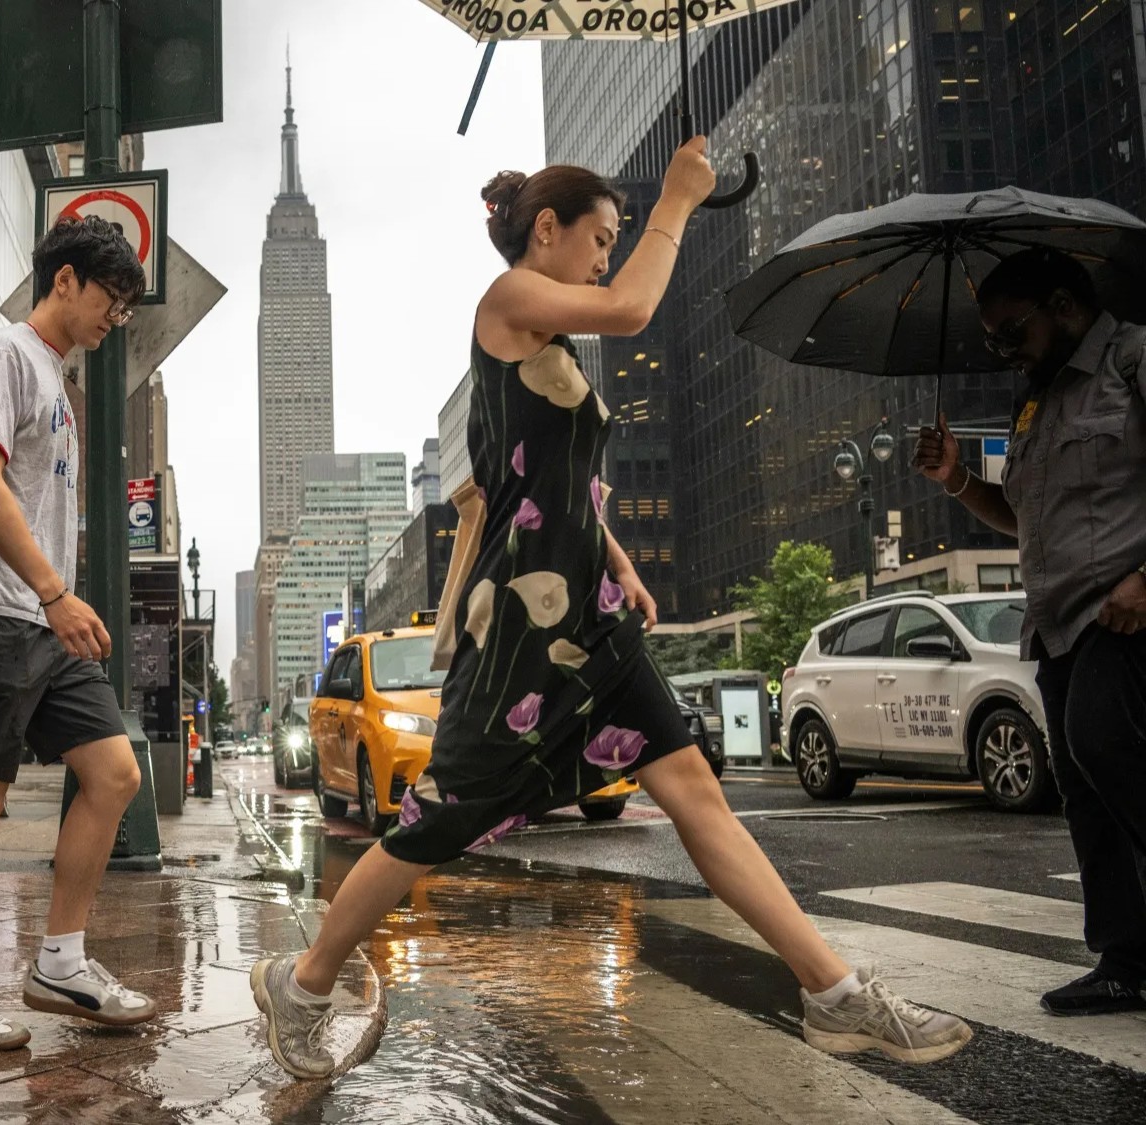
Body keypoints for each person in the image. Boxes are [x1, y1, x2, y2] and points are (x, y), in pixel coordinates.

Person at [248, 144, 974, 1080]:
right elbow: (630, 312)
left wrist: (622, 563)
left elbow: (563, 484)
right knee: (436, 823)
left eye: (615, 240)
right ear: (543, 232)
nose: (605, 256)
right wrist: (676, 197)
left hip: (591, 616)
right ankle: (303, 984)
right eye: (599, 237)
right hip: (520, 629)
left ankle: (835, 994)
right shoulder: (506, 304)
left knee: (694, 789)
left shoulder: (548, 349)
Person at [0, 216, 155, 1053]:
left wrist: (58, 599)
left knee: (114, 773)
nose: (111, 321)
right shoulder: (3, 356)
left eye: (122, 310)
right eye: (109, 301)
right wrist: (54, 592)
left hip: (45, 624)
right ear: (64, 281)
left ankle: (60, 961)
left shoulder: (54, 377)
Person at [914, 246, 1146, 1016]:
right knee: (1082, 788)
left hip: (1126, 608)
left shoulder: (1132, 357)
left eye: (1012, 332)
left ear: (1063, 305)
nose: (1004, 352)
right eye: (993, 341)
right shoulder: (1035, 403)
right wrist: (956, 477)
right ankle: (1124, 959)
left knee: (1106, 743)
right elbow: (1025, 517)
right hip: (1055, 626)